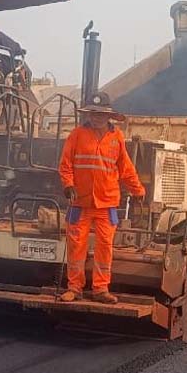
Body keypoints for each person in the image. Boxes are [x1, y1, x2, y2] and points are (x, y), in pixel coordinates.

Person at [57, 92, 146, 304]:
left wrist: (138, 190)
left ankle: (101, 289)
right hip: (80, 203)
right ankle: (74, 288)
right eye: (92, 113)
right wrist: (68, 185)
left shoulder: (117, 138)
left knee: (104, 247)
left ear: (109, 116)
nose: (96, 117)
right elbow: (65, 164)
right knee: (76, 247)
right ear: (88, 115)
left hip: (106, 204)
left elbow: (126, 168)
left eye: (100, 114)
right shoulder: (77, 135)